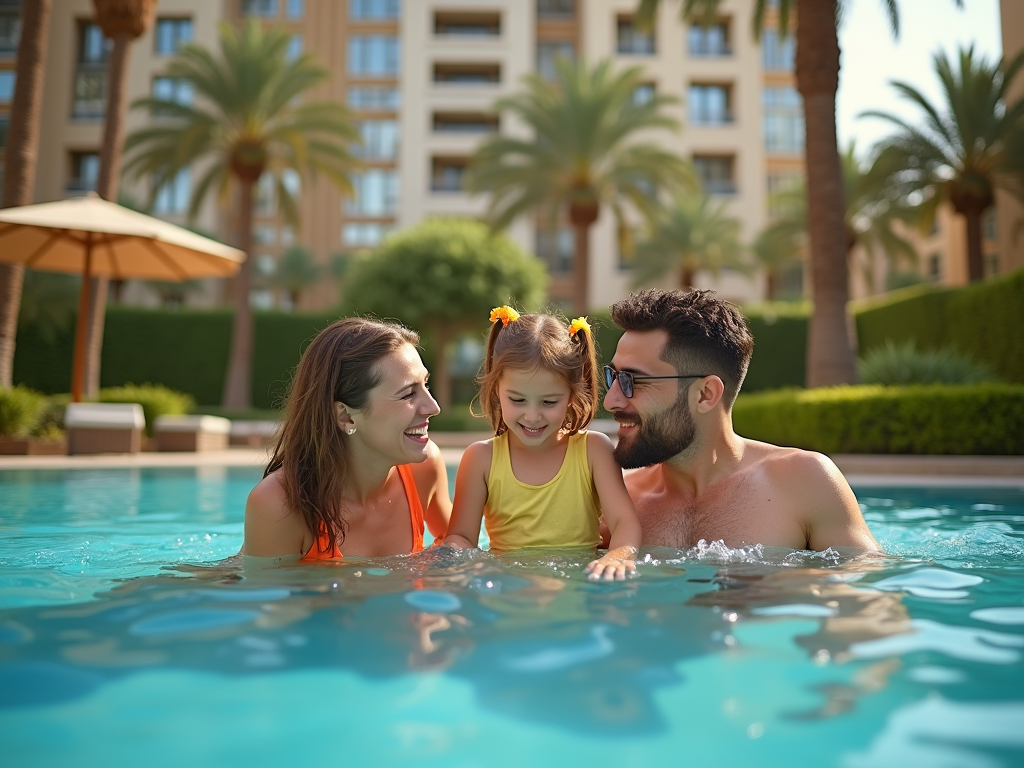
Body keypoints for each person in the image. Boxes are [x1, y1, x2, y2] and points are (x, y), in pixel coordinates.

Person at [602, 289, 879, 552]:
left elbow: (864, 592)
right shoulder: (620, 503)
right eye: (613, 376)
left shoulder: (803, 482)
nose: (610, 400)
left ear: (705, 395)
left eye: (631, 380)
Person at [443, 307, 643, 580]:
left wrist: (619, 556)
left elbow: (624, 523)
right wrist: (467, 564)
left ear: (572, 395)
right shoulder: (481, 459)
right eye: (517, 400)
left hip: (579, 591)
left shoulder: (593, 451)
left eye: (549, 402)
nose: (533, 416)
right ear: (496, 390)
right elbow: (461, 536)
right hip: (508, 591)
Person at [242, 317, 451, 560]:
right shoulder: (279, 505)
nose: (433, 407)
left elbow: (455, 546)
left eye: (426, 384)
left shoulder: (423, 470)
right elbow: (265, 594)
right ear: (346, 416)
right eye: (408, 394)